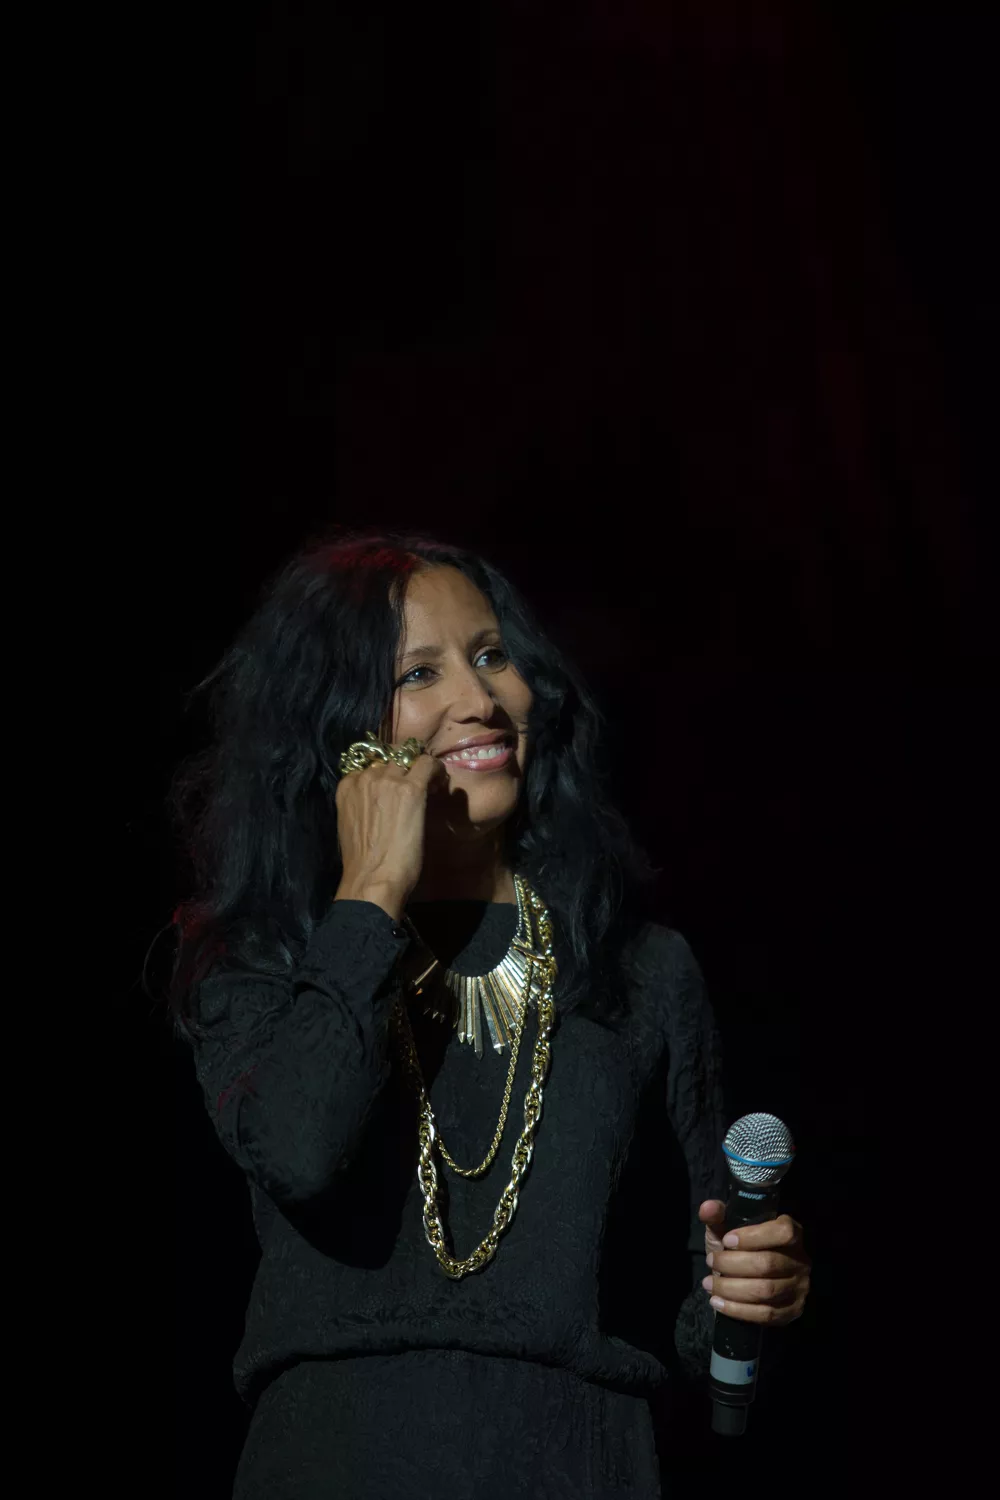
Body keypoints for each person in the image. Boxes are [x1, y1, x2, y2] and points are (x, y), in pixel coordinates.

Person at [166, 529, 745, 1497]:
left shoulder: (639, 970)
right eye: (419, 673)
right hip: (338, 1462)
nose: (480, 699)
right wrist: (370, 895)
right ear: (335, 730)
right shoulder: (261, 960)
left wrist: (752, 1300)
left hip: (578, 1460)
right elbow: (300, 1148)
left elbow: (697, 1320)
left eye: (491, 656)